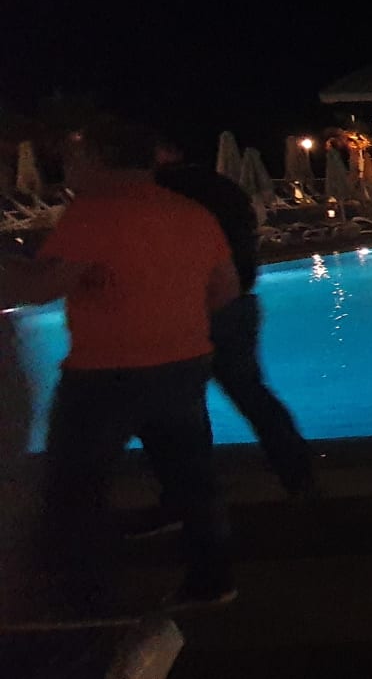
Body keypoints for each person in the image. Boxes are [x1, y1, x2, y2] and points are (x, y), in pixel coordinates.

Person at [0, 118, 240, 616]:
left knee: (76, 489)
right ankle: (212, 581)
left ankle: (83, 600)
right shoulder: (191, 212)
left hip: (106, 373)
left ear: (98, 158)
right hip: (184, 363)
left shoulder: (94, 214)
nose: (69, 165)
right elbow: (226, 289)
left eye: (75, 156)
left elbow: (42, 288)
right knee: (192, 480)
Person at [152, 139, 315, 503]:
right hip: (236, 300)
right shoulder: (221, 186)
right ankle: (298, 474)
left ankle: (194, 491)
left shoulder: (158, 193)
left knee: (181, 403)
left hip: (183, 307)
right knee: (250, 393)